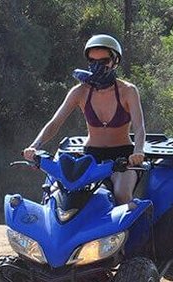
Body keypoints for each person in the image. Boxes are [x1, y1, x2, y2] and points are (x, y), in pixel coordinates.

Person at [23, 34, 146, 208]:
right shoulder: (79, 92)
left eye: (103, 61)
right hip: (91, 156)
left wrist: (138, 152)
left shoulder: (128, 90)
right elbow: (55, 123)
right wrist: (34, 146)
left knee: (122, 194)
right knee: (61, 192)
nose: (97, 66)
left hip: (123, 157)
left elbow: (139, 128)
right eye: (92, 61)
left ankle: (129, 235)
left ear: (115, 61)